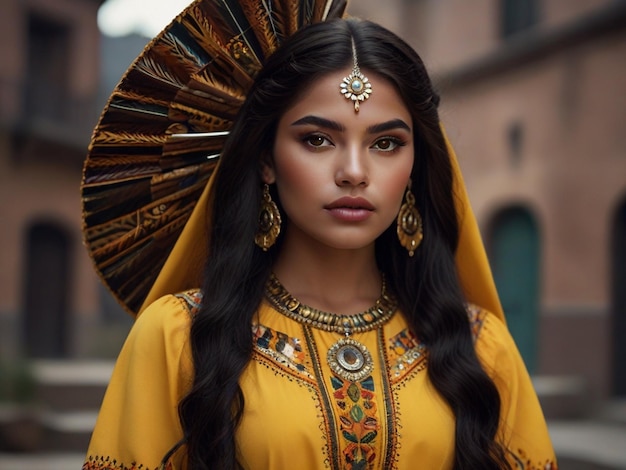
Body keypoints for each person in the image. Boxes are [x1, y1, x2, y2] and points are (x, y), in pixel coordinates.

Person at [82, 4, 557, 470]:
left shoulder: (480, 347)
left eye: (386, 143)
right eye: (317, 139)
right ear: (266, 159)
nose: (354, 172)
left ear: (415, 167)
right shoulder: (176, 340)